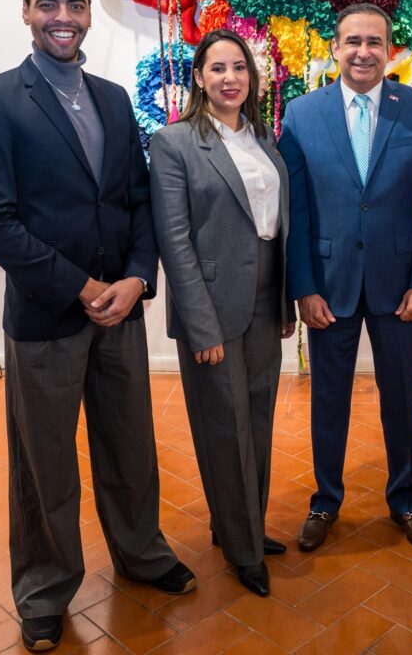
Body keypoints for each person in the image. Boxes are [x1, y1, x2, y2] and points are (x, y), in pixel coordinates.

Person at [0, 0, 194, 652]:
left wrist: (136, 278)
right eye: (48, 4)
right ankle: (44, 589)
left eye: (74, 4)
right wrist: (81, 287)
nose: (62, 17)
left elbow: (137, 200)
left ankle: (141, 553)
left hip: (120, 310)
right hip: (47, 316)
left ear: (89, 13)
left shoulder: (114, 99)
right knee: (45, 465)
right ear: (27, 12)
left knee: (130, 446)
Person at [280, 3, 412, 552]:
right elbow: (295, 213)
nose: (363, 52)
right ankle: (325, 501)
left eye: (374, 42)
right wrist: (304, 287)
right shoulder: (301, 113)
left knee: (401, 398)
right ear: (335, 48)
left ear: (390, 50)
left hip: (399, 287)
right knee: (328, 400)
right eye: (353, 41)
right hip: (328, 286)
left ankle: (405, 501)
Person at [149, 29, 295, 597]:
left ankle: (242, 525)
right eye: (217, 68)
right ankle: (243, 550)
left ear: (252, 78)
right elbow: (174, 240)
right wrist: (200, 325)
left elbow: (277, 227)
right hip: (211, 305)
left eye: (239, 67)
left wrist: (284, 300)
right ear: (199, 77)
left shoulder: (264, 138)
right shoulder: (175, 142)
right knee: (223, 425)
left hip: (264, 299)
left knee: (256, 419)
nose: (230, 78)